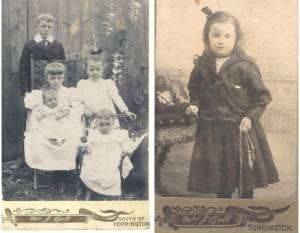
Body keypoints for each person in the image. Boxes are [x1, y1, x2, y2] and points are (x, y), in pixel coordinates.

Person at [186, 8, 279, 199]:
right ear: (207, 37)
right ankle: (224, 212)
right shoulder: (202, 66)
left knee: (246, 177)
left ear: (237, 39)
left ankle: (245, 211)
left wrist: (250, 118)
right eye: (216, 35)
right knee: (220, 178)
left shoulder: (245, 66)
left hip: (240, 129)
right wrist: (194, 103)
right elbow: (195, 90)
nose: (221, 41)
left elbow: (262, 98)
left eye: (228, 36)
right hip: (212, 129)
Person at [24, 62, 83, 188]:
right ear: (47, 78)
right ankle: (52, 170)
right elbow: (32, 107)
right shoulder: (41, 93)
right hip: (47, 124)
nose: (56, 81)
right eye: (52, 78)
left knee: (72, 138)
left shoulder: (69, 92)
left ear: (63, 78)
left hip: (64, 122)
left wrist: (68, 113)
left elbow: (77, 108)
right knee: (39, 137)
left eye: (59, 78)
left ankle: (63, 174)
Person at [78, 109, 146, 200]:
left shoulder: (117, 134)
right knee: (91, 169)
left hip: (111, 157)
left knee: (111, 172)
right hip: (95, 157)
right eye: (101, 125)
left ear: (113, 124)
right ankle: (91, 189)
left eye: (108, 124)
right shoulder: (94, 134)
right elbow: (89, 145)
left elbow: (124, 144)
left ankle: (112, 192)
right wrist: (86, 147)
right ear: (96, 124)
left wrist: (125, 149)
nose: (105, 127)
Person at [76, 49, 136, 127]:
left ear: (102, 69)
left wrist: (125, 111)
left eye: (98, 69)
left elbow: (116, 97)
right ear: (86, 70)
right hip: (93, 119)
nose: (95, 72)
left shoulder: (107, 83)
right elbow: (78, 101)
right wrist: (84, 110)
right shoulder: (83, 84)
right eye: (91, 69)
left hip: (108, 119)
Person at [19, 13, 65, 96]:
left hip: (54, 87)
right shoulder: (29, 46)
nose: (46, 29)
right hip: (34, 88)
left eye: (49, 27)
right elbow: (23, 70)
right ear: (36, 27)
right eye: (43, 26)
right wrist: (25, 91)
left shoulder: (58, 46)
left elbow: (63, 67)